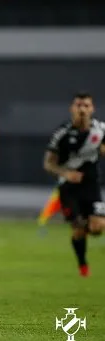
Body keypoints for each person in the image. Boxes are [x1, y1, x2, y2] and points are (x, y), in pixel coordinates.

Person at [43, 91, 105, 277]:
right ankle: (83, 265)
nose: (83, 110)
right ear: (72, 109)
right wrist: (66, 173)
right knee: (78, 226)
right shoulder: (62, 134)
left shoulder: (100, 130)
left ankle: (86, 226)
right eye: (79, 106)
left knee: (97, 228)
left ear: (92, 109)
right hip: (68, 188)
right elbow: (48, 163)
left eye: (86, 106)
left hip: (91, 185)